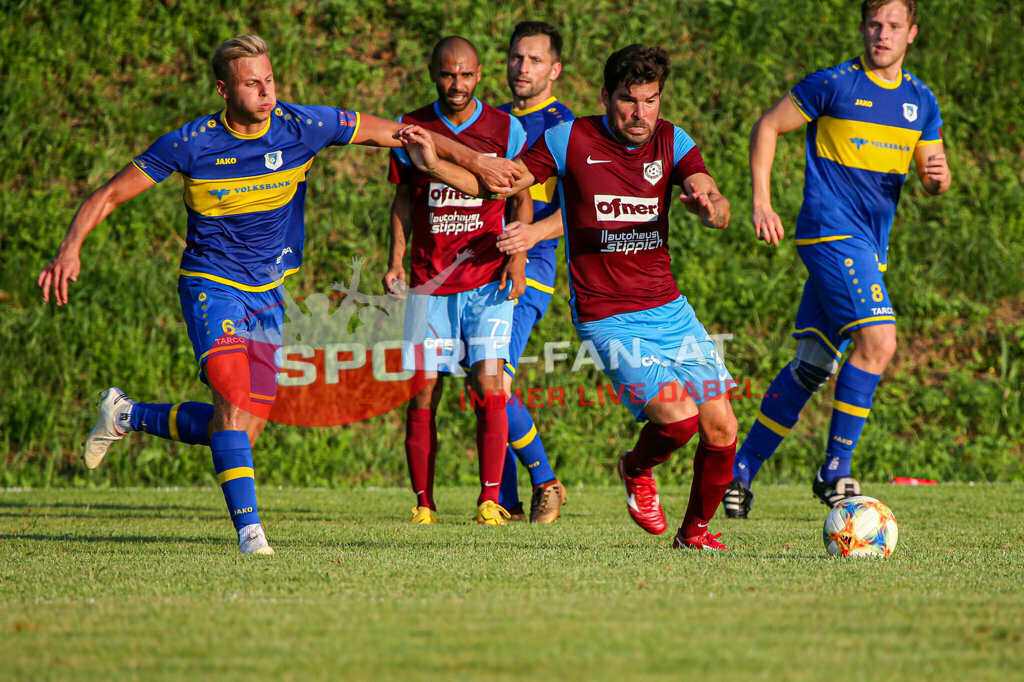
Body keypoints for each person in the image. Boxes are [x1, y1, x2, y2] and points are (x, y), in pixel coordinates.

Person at [37, 34, 519, 555]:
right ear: (224, 90)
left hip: (269, 292)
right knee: (233, 396)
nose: (266, 92)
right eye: (251, 84)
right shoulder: (191, 143)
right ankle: (251, 537)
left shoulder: (301, 125)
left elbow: (404, 132)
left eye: (269, 80)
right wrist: (70, 248)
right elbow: (108, 193)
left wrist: (476, 161)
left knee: (241, 430)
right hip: (212, 286)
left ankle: (126, 414)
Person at [398, 44, 739, 550]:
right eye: (628, 100)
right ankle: (635, 467)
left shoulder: (672, 139)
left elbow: (711, 193)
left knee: (722, 426)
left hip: (670, 311)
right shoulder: (570, 138)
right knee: (680, 418)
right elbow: (499, 185)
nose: (640, 113)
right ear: (606, 96)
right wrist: (436, 166)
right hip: (609, 317)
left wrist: (710, 206)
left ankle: (694, 534)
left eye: (650, 100)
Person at [723, 0, 951, 518]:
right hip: (830, 231)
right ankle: (835, 470)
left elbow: (936, 172)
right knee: (879, 340)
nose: (882, 34)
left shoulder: (921, 101)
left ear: (911, 34)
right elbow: (767, 127)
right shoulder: (835, 85)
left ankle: (739, 474)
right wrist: (762, 200)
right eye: (874, 24)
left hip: (870, 246)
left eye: (893, 26)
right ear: (863, 28)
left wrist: (938, 180)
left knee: (812, 366)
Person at [383, 36, 528, 527]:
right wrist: (397, 261)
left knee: (490, 387)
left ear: (480, 73)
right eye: (448, 75)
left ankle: (491, 500)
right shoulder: (412, 127)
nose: (457, 84)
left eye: (466, 75)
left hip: (487, 276)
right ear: (432, 72)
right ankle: (423, 503)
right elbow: (403, 201)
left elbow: (520, 193)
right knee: (423, 392)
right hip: (429, 280)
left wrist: (519, 257)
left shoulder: (507, 128)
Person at [494, 21, 574, 524]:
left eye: (536, 60)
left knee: (494, 380)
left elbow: (578, 213)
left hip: (531, 269)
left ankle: (545, 482)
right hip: (479, 265)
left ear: (555, 70)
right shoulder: (490, 118)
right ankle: (502, 502)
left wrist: (526, 241)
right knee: (484, 381)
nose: (524, 68)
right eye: (517, 58)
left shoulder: (568, 129)